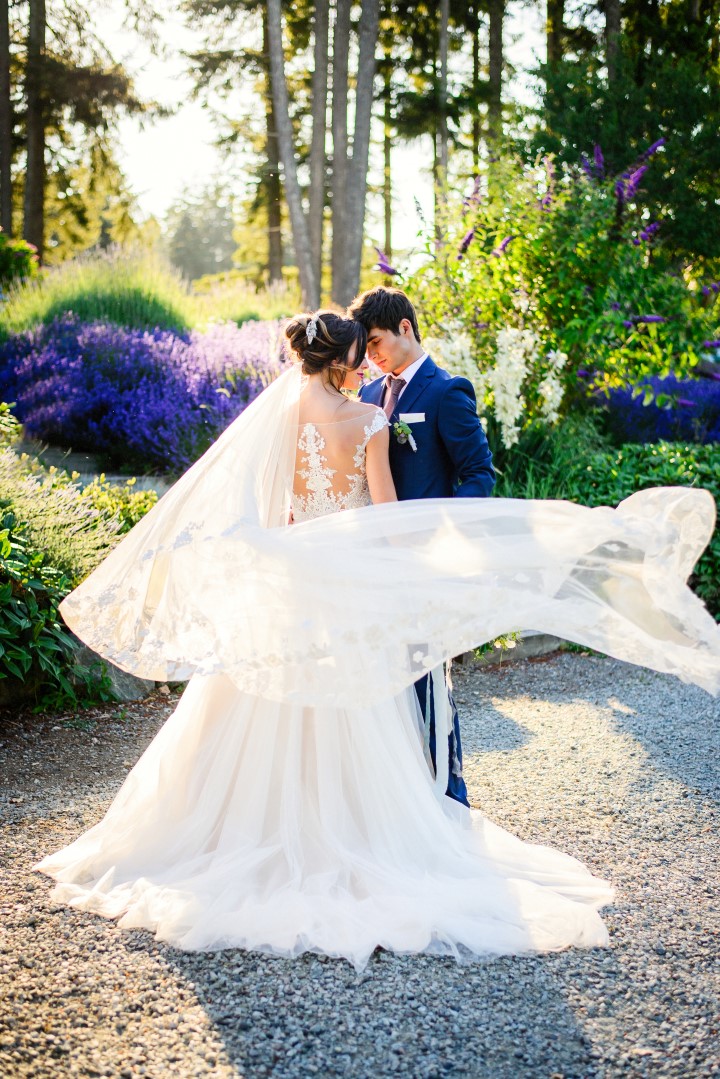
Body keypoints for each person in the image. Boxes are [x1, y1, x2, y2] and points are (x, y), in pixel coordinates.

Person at [36, 311, 720, 972]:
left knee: (258, 710)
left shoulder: (277, 416)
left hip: (287, 583)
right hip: (339, 589)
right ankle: (344, 835)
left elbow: (276, 512)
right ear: (343, 361)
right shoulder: (369, 420)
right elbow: (385, 513)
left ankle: (238, 831)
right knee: (348, 710)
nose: (368, 363)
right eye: (358, 354)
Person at [350, 286, 495, 807]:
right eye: (364, 350)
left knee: (426, 677)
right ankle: (397, 802)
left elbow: (478, 473)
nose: (370, 356)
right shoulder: (366, 399)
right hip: (369, 565)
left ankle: (449, 794)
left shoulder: (445, 391)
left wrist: (442, 536)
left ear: (406, 328)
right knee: (380, 686)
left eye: (376, 343)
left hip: (421, 564)